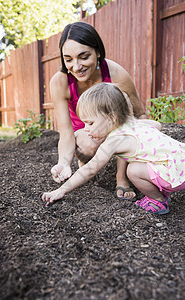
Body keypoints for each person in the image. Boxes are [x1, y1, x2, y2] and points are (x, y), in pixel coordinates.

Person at [42, 83, 185, 214]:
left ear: (112, 118)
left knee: (133, 170)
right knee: (139, 165)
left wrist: (61, 190)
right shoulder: (133, 124)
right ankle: (160, 186)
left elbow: (90, 169)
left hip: (174, 174)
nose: (86, 129)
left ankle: (158, 201)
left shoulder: (114, 141)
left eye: (90, 123)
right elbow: (157, 125)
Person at [49, 21, 147, 201]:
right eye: (68, 59)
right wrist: (63, 162)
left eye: (84, 56)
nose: (76, 66)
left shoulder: (115, 74)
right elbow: (66, 132)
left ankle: (121, 177)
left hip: (117, 128)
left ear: (98, 52)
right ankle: (85, 163)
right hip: (85, 133)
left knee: (129, 124)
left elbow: (138, 115)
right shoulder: (60, 82)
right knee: (90, 144)